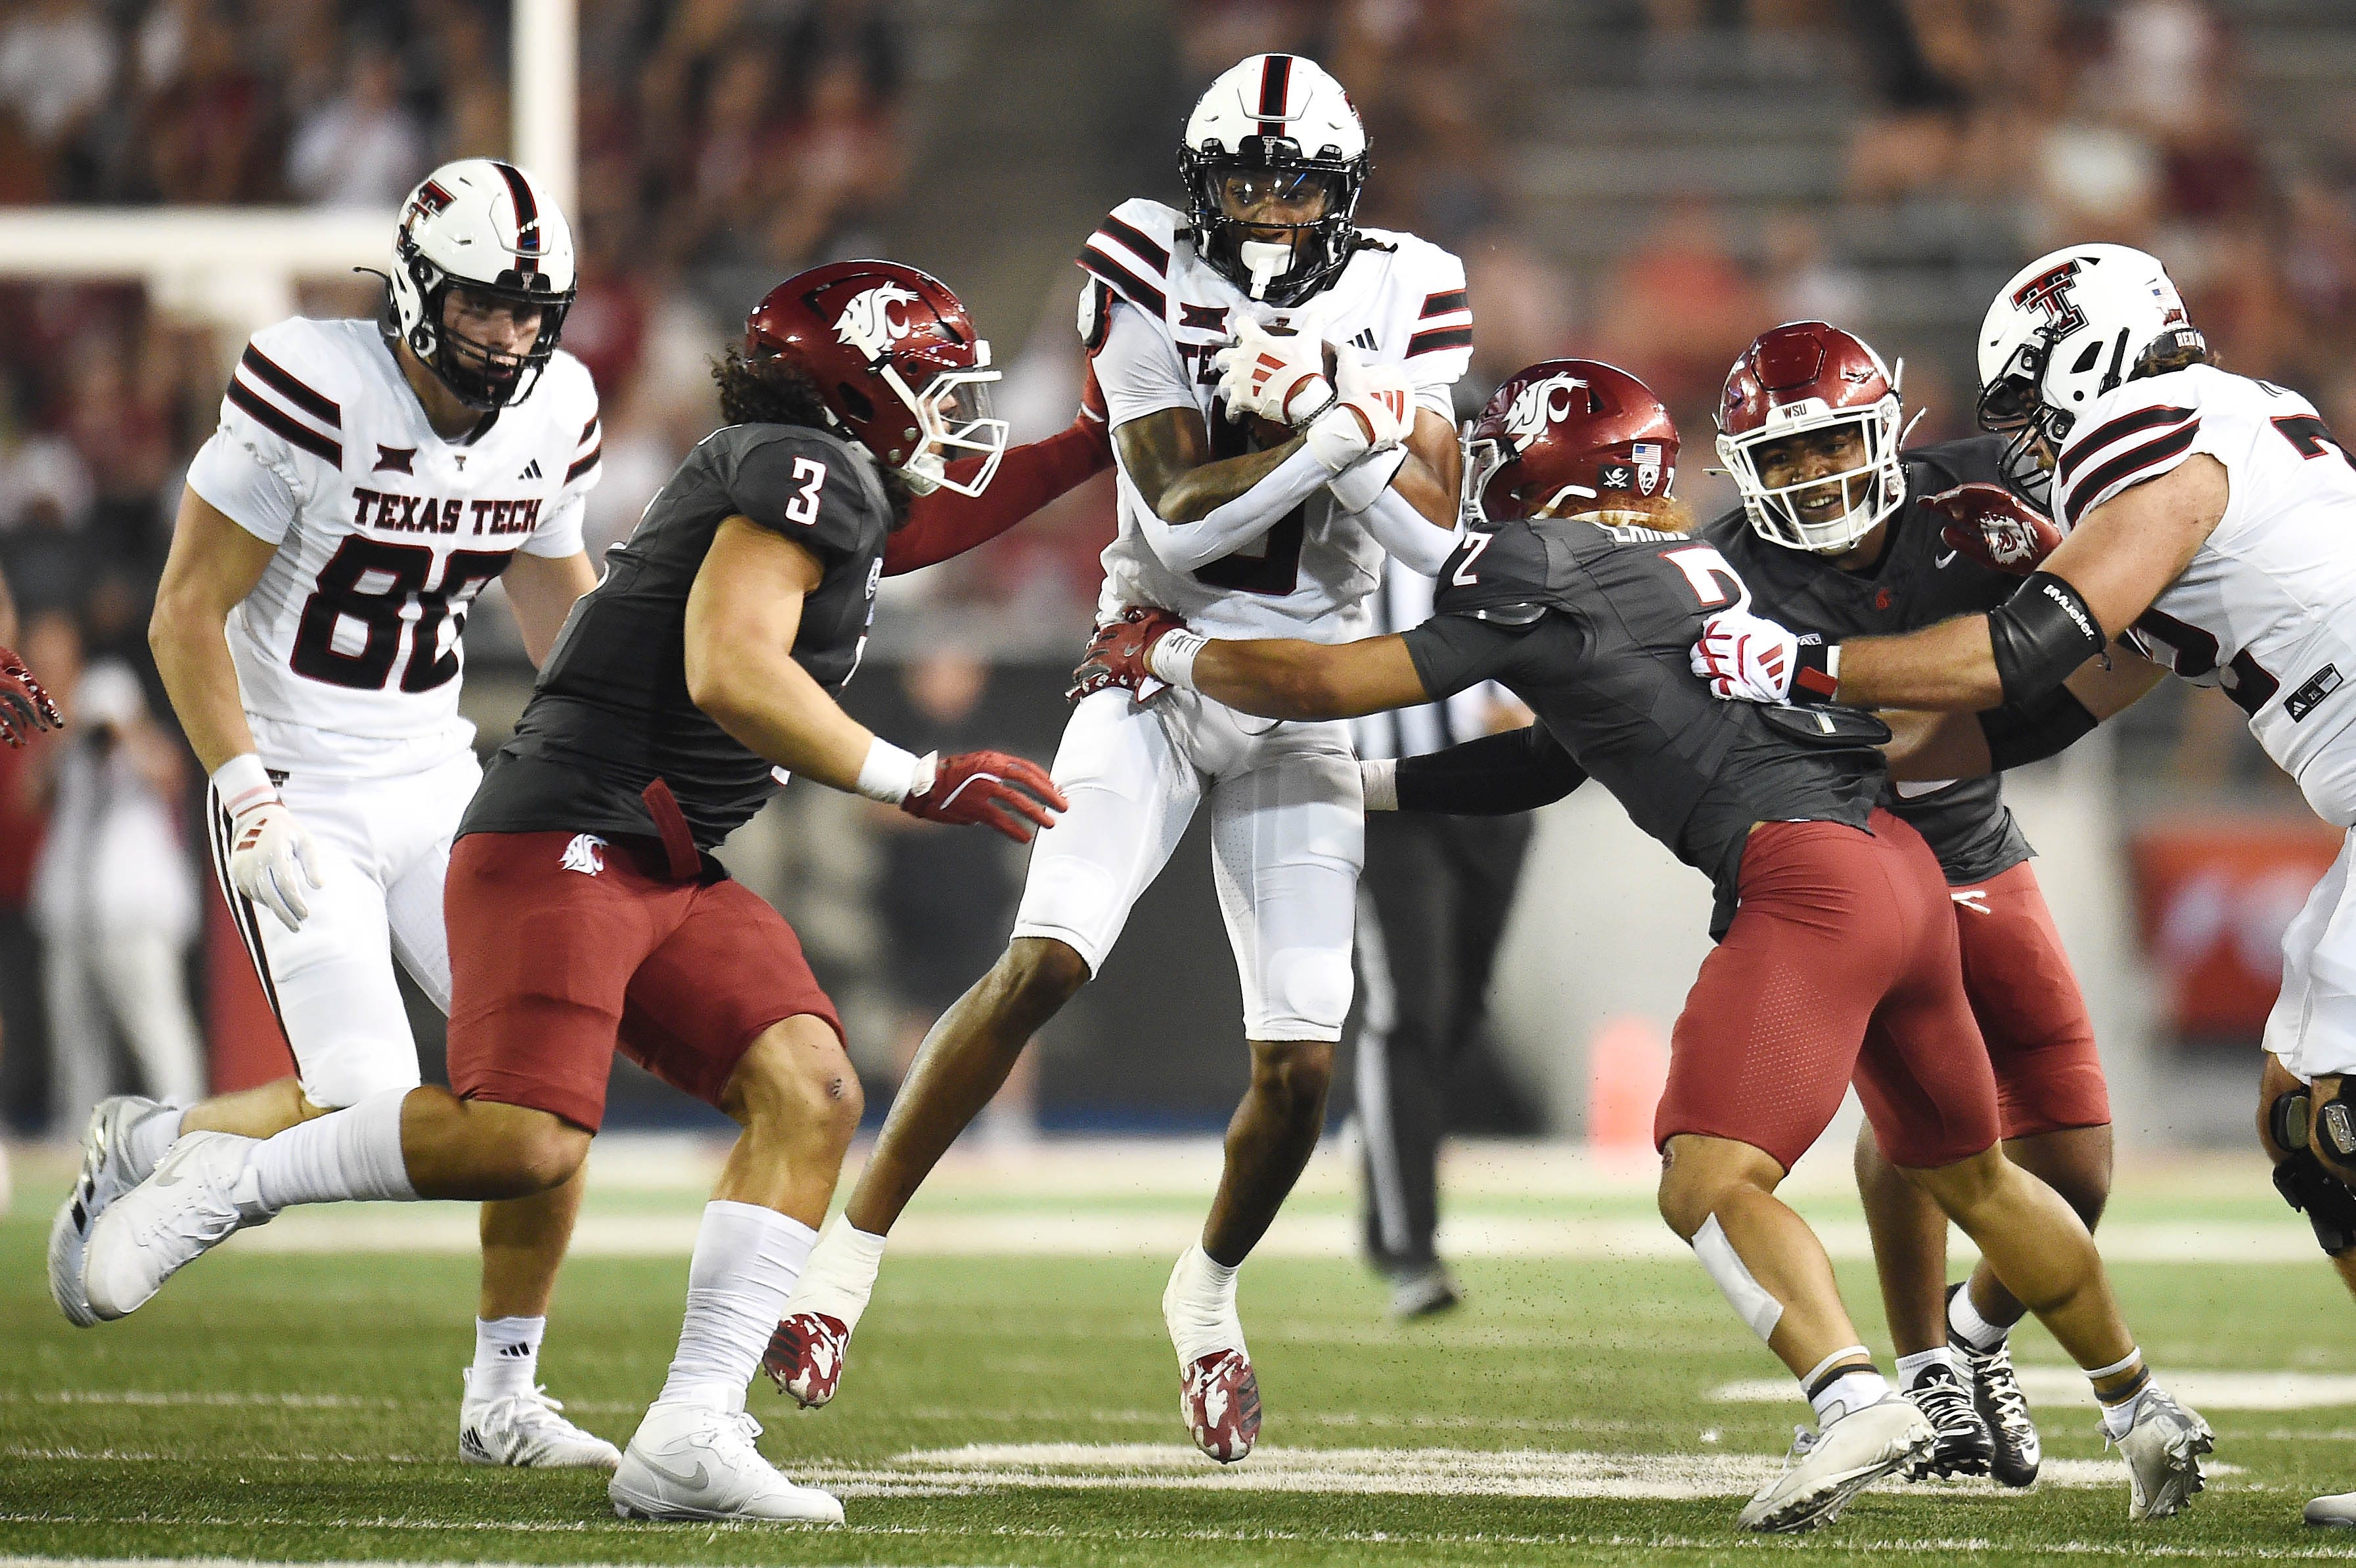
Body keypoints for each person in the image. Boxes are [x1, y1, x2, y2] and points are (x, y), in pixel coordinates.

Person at [1070, 359, 2213, 1533]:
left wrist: (1162, 650)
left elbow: (1330, 678)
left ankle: (1852, 1394)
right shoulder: (1694, 564)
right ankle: (2141, 1406)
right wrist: (1371, 788)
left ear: (1533, 471)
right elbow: (1546, 755)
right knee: (1975, 1177)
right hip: (1902, 866)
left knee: (1706, 1178)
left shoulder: (1539, 562)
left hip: (1805, 874)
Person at [75, 259, 1067, 1527]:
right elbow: (731, 671)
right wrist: (917, 774)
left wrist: (1102, 441)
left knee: (808, 1087)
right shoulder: (789, 471)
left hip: (647, 845)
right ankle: (226, 1171)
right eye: (923, 382)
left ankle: (690, 1432)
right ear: (852, 389)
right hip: (565, 830)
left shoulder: (820, 482)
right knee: (525, 1134)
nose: (944, 409)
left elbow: (939, 523)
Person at [769, 51, 1472, 1464]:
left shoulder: (1411, 284)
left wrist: (1335, 403)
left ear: (1343, 197)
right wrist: (1345, 434)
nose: (1270, 217)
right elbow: (1179, 508)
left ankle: (1205, 1300)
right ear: (1196, 190)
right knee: (1048, 952)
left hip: (1304, 690)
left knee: (1300, 1063)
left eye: (1295, 189)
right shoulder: (1141, 262)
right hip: (1150, 654)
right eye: (1245, 188)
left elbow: (1438, 536)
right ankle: (837, 1272)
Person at [1684, 241, 2356, 1531]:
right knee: (2307, 1111)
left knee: (2322, 1116)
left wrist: (1809, 666)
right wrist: (1853, 747)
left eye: (2035, 400)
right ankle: (1958, 1350)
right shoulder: (2235, 419)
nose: (2036, 438)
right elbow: (2075, 690)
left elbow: (2027, 643)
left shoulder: (2148, 430)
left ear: (2087, 363)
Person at [56, 158, 620, 1469]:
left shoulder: (560, 412)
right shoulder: (312, 383)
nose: (515, 334)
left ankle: (504, 1395)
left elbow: (556, 605)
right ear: (420, 288)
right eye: (487, 303)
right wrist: (245, 789)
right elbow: (183, 609)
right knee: (367, 1095)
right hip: (298, 779)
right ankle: (156, 1143)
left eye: (535, 308)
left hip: (439, 778)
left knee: (550, 1080)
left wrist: (622, 748)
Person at [1699, 320, 2117, 1485]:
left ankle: (1977, 1336)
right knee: (1928, 1126)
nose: (1810, 476)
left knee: (2075, 1163)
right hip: (1851, 858)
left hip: (1973, 835)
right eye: (1779, 459)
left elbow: (2117, 646)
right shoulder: (1720, 569)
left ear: (1885, 429)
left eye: (1829, 443)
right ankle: (1926, 1366)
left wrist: (1982, 726)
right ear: (1742, 471)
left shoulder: (1985, 497)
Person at [1347, 556, 1532, 1319]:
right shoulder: (1340, 492)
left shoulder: (1496, 494)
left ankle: (1387, 1150)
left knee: (1457, 1010)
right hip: (1385, 792)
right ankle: (1406, 1245)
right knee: (1411, 1012)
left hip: (1493, 786)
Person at [32, 659, 203, 1133]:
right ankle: (76, 1131)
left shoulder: (145, 750)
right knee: (76, 1039)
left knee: (157, 1029)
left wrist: (126, 735)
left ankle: (186, 1123)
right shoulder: (69, 757)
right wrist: (68, 737)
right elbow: (28, 796)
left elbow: (172, 774)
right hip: (73, 917)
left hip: (136, 917)